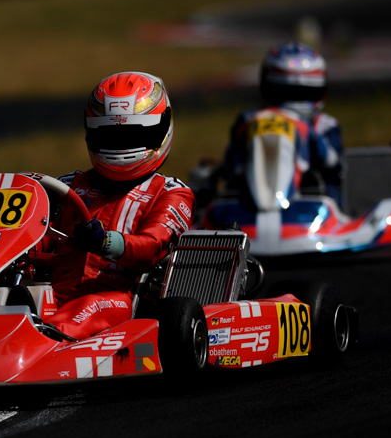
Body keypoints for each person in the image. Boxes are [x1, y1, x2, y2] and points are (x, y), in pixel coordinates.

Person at [36, 71, 195, 340]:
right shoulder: (64, 187)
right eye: (110, 136)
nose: (121, 146)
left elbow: (152, 247)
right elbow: (35, 237)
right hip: (51, 294)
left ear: (161, 128)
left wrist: (105, 242)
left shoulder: (171, 192)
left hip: (121, 299)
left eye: (133, 135)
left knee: (90, 306)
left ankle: (43, 340)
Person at [221, 42, 344, 204]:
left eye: (304, 92)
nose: (294, 101)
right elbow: (231, 163)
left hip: (309, 200)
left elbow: (334, 165)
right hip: (249, 201)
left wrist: (312, 138)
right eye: (286, 91)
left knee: (329, 184)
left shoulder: (325, 126)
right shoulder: (249, 120)